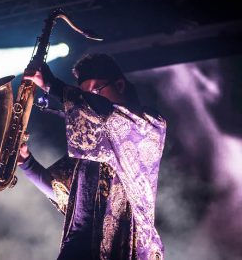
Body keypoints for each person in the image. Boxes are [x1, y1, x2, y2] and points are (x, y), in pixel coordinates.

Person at [18, 54, 166, 260]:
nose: (87, 102)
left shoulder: (149, 124)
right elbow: (61, 192)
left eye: (95, 92)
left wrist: (53, 86)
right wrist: (25, 162)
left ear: (120, 85)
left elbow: (110, 117)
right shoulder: (90, 150)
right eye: (85, 95)